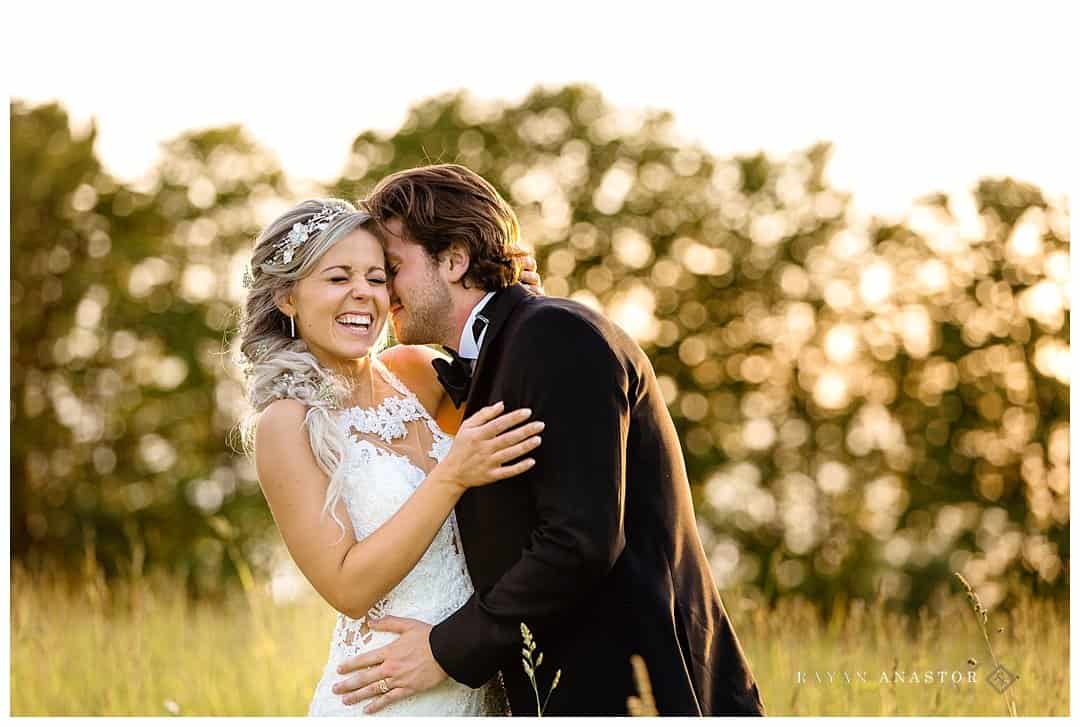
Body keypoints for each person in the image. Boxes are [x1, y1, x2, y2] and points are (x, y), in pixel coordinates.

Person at [331, 164, 766, 716]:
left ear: (455, 259)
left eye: (392, 269)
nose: (380, 290)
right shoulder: (515, 344)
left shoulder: (553, 335)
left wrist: (444, 650)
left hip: (638, 688)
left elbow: (578, 541)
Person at [237, 198, 548, 716]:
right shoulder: (286, 422)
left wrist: (521, 310)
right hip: (388, 691)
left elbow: (520, 421)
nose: (362, 293)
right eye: (338, 278)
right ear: (288, 297)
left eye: (377, 278)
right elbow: (347, 586)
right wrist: (451, 476)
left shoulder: (418, 370)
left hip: (478, 668)